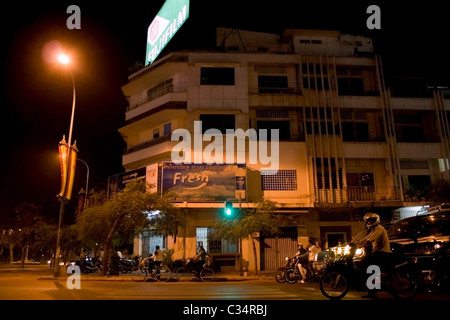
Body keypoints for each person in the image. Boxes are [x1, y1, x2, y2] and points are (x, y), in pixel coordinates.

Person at [350, 212, 392, 298]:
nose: (369, 222)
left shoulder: (379, 229)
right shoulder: (373, 230)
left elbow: (370, 239)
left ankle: (373, 289)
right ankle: (372, 290)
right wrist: (353, 243)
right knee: (366, 264)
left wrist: (361, 245)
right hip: (377, 253)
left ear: (376, 220)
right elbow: (365, 238)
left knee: (365, 264)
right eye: (368, 221)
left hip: (383, 253)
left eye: (371, 220)